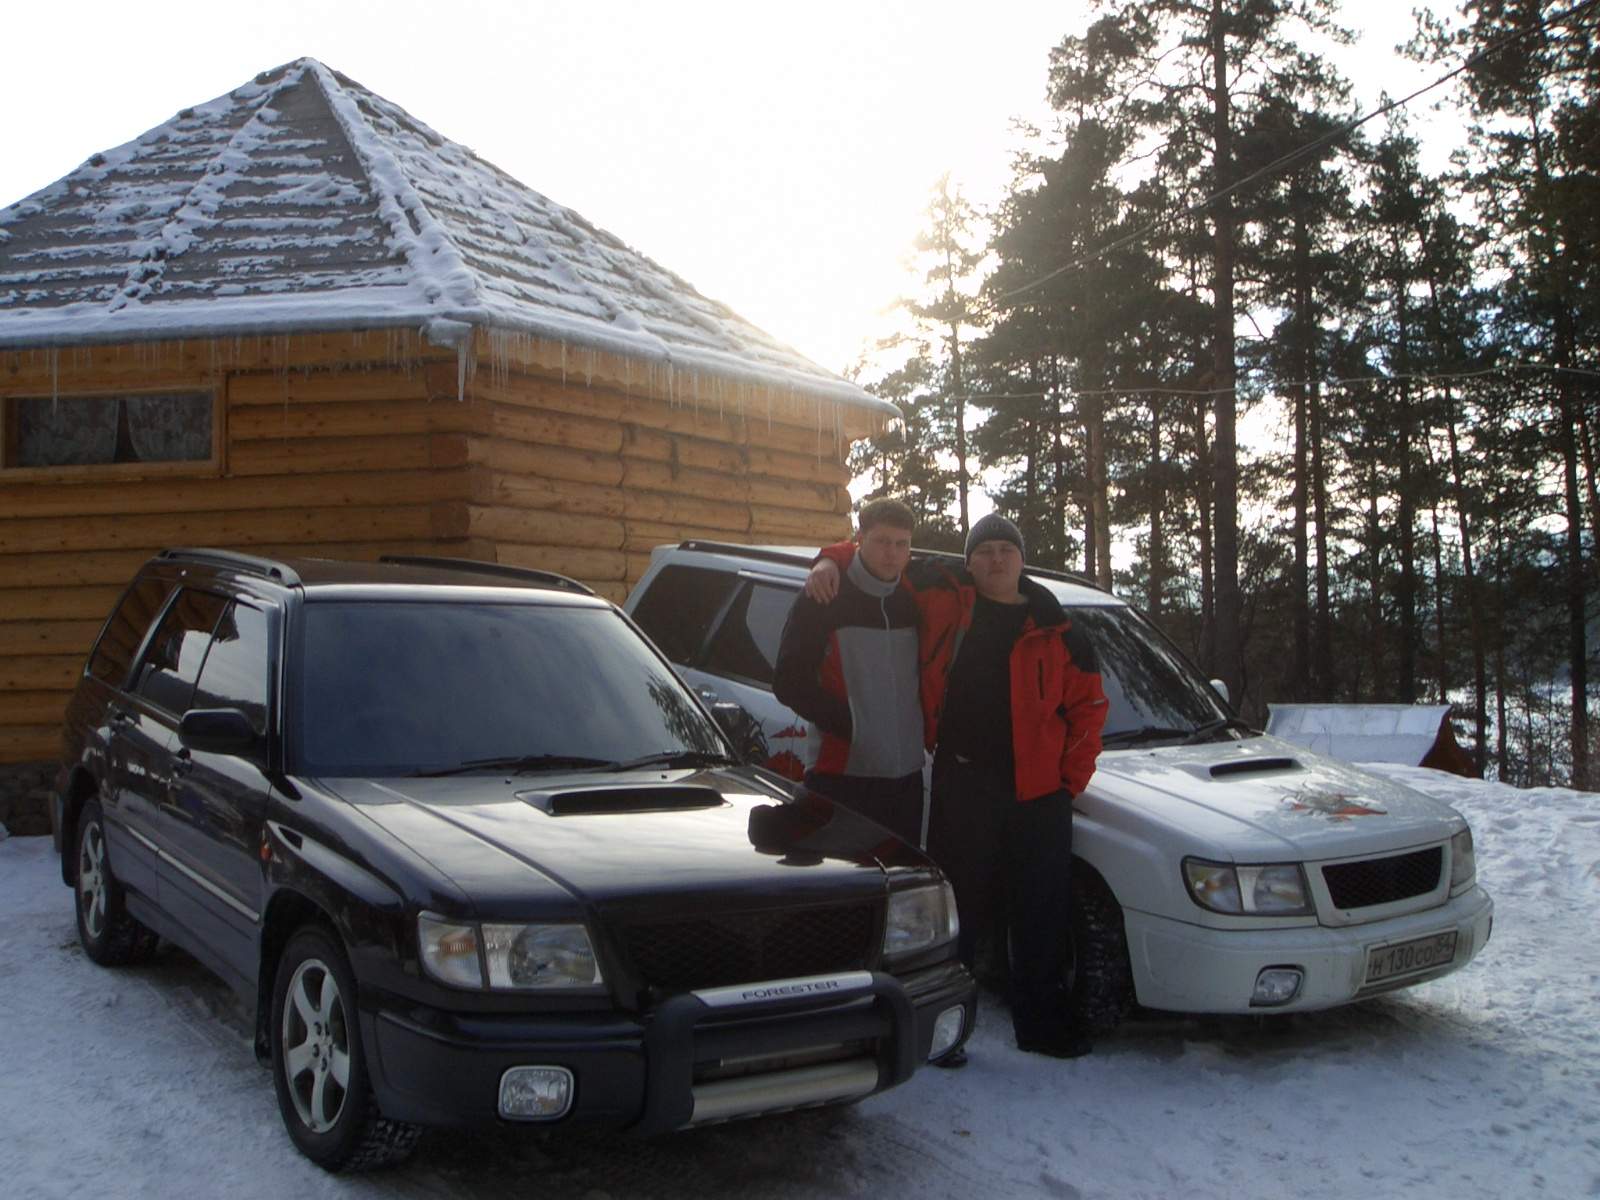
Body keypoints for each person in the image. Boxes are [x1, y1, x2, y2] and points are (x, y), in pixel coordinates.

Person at [808, 513, 1108, 1058]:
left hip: (1039, 795)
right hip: (964, 780)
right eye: (985, 550)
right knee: (958, 911)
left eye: (1006, 550)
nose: (996, 560)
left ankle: (1040, 1026)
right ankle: (949, 1029)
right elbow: (879, 554)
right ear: (968, 561)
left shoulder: (1060, 627)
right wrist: (828, 558)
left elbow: (1088, 708)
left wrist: (1071, 779)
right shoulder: (944, 598)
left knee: (1039, 912)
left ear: (1022, 560)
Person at [772, 497, 926, 847]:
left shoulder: (913, 597)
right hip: (841, 775)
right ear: (861, 538)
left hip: (906, 779)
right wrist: (852, 724)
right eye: (882, 541)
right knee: (843, 882)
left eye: (901, 544)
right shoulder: (825, 594)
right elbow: (788, 682)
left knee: (900, 884)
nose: (892, 553)